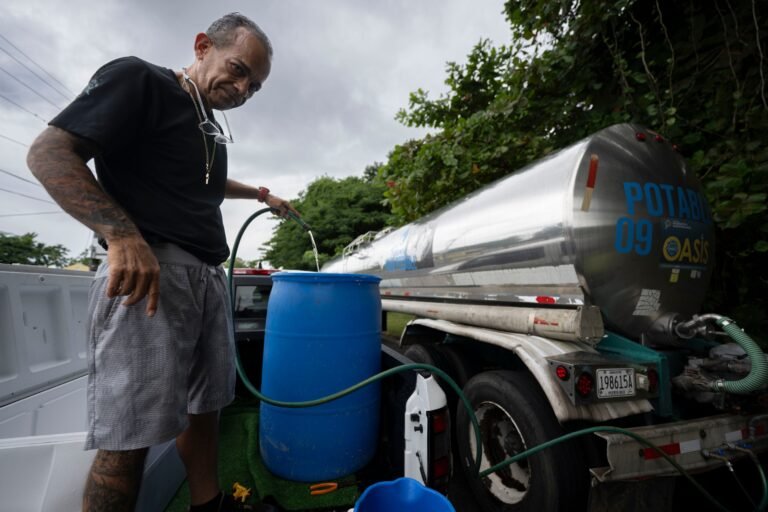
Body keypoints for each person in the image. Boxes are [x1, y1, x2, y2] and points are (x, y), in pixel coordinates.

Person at [27, 12, 293, 512]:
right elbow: (49, 153)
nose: (242, 88)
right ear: (200, 46)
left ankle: (208, 504)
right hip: (150, 277)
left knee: (207, 407)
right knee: (130, 432)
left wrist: (261, 194)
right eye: (238, 70)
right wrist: (119, 234)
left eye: (254, 87)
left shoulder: (206, 123)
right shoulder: (140, 80)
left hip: (206, 278)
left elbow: (207, 186)